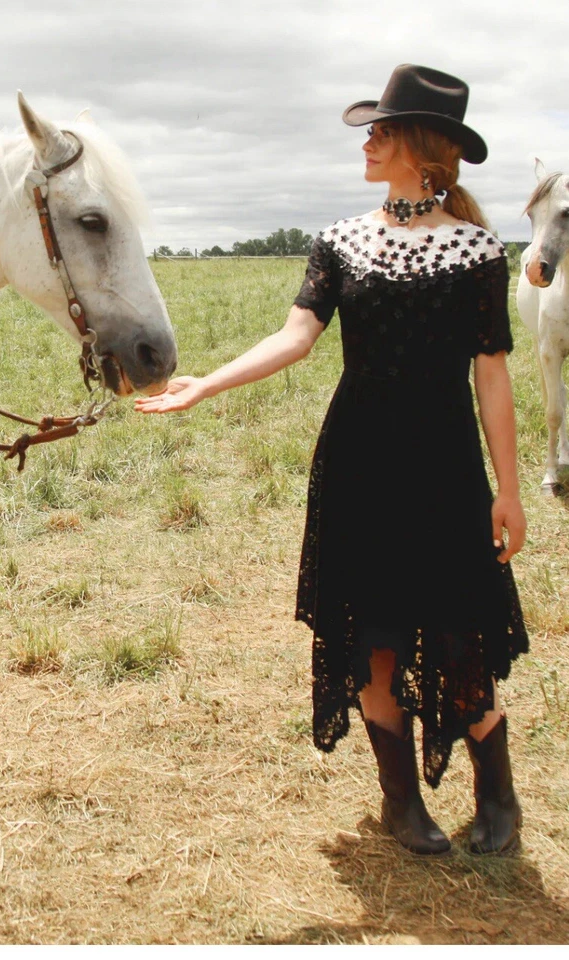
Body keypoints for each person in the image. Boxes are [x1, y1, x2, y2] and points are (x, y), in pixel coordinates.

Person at [135, 64, 528, 856]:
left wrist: (508, 491)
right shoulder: (340, 241)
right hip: (358, 464)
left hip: (448, 470)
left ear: (424, 146)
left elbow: (491, 374)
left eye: (381, 130)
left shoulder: (479, 250)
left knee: (459, 637)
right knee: (375, 637)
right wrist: (204, 385)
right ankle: (400, 804)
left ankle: (499, 797)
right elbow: (295, 338)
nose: (368, 141)